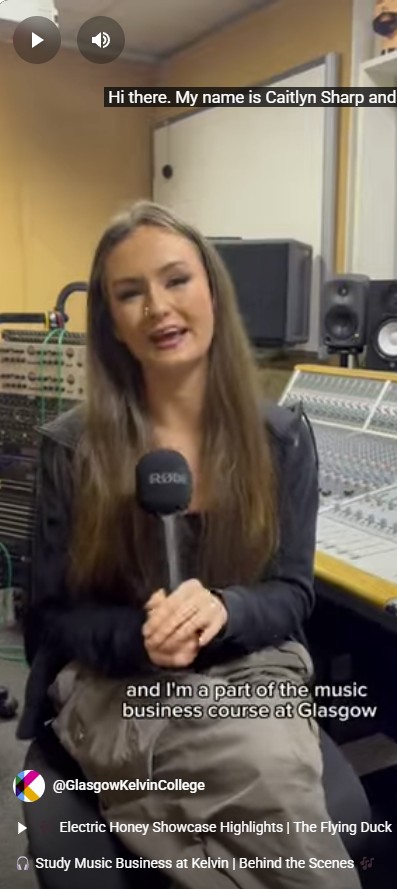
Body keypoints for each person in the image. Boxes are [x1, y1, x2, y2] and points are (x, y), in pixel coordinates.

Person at [18, 201, 361, 889]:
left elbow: (291, 593)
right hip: (116, 679)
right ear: (111, 320)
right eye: (129, 292)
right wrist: (142, 638)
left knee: (259, 760)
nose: (157, 306)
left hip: (247, 670)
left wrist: (226, 611)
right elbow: (50, 619)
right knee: (245, 773)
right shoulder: (71, 448)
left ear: (211, 288)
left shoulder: (282, 438)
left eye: (175, 279)